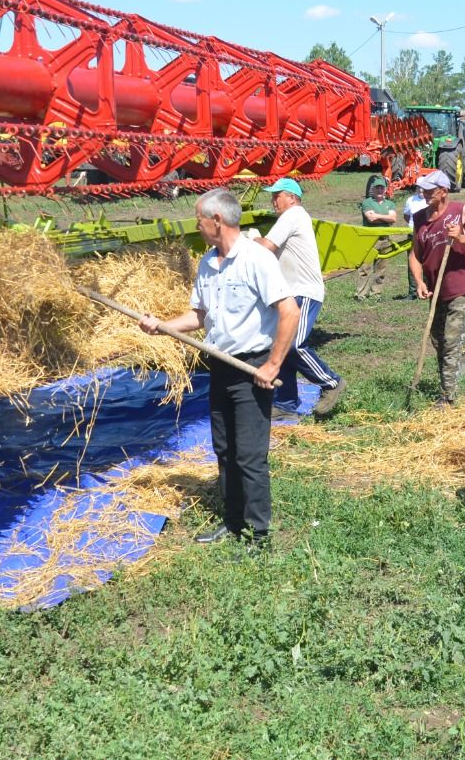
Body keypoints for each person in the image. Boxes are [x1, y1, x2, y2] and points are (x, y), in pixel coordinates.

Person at [142, 188, 297, 546]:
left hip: (253, 369)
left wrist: (273, 364)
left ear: (217, 220)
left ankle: (258, 533)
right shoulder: (207, 263)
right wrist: (161, 325)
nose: (196, 225)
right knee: (224, 449)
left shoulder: (256, 260)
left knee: (250, 455)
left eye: (199, 219)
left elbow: (289, 311)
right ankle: (232, 522)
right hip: (221, 366)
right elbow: (200, 315)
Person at [257, 178, 345, 417]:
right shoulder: (290, 217)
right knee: (282, 345)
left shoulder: (293, 215)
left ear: (292, 198)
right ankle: (285, 404)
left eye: (278, 195)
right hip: (289, 292)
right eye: (272, 196)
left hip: (304, 290)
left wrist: (246, 240)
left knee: (294, 343)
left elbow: (266, 247)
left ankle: (331, 382)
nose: (273, 200)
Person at [408, 169, 465, 405]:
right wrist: (419, 282)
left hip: (461, 287)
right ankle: (454, 370)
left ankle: (447, 397)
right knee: (439, 340)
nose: (424, 194)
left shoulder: (460, 212)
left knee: (451, 340)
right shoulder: (419, 218)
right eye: (423, 190)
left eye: (429, 191)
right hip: (436, 290)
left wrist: (462, 239)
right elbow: (415, 255)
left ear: (443, 192)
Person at [355, 175, 400, 299]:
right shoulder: (367, 202)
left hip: (385, 239)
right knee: (364, 268)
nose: (380, 190)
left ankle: (376, 294)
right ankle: (361, 294)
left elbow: (393, 218)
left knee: (381, 269)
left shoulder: (390, 204)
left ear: (385, 190)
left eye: (382, 188)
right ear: (373, 190)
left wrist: (377, 216)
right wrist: (385, 218)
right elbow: (370, 218)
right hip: (369, 240)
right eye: (377, 188)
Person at [401, 184, 429, 297]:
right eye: (419, 188)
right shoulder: (410, 200)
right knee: (412, 261)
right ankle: (412, 291)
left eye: (423, 188)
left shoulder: (429, 200)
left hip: (427, 234)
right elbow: (406, 216)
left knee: (427, 261)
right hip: (412, 234)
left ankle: (428, 289)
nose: (421, 190)